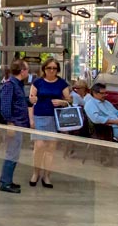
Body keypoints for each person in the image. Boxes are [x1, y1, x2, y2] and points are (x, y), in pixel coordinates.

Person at [28, 58, 71, 188]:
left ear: (58, 70)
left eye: (54, 68)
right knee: (39, 146)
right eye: (49, 68)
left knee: (51, 148)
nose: (51, 71)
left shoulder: (62, 83)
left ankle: (47, 175)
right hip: (40, 116)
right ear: (44, 69)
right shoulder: (38, 82)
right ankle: (36, 173)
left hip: (55, 117)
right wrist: (31, 118)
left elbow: (69, 99)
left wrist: (62, 102)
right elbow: (30, 100)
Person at [0, 59, 30, 193]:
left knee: (14, 153)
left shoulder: (17, 85)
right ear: (22, 71)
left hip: (18, 124)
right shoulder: (10, 85)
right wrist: (9, 123)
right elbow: (5, 106)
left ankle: (6, 178)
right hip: (14, 124)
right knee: (12, 153)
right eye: (27, 69)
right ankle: (5, 182)